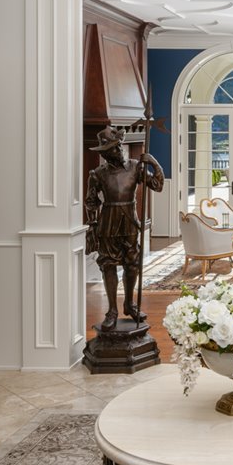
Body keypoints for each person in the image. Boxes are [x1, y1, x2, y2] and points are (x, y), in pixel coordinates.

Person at [86, 128, 164, 332]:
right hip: (108, 224)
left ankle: (129, 305)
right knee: (108, 265)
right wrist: (93, 225)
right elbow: (91, 202)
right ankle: (112, 311)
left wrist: (153, 162)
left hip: (130, 222)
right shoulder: (98, 174)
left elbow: (157, 185)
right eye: (114, 147)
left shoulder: (135, 167)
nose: (119, 149)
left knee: (132, 265)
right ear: (105, 153)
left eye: (119, 145)